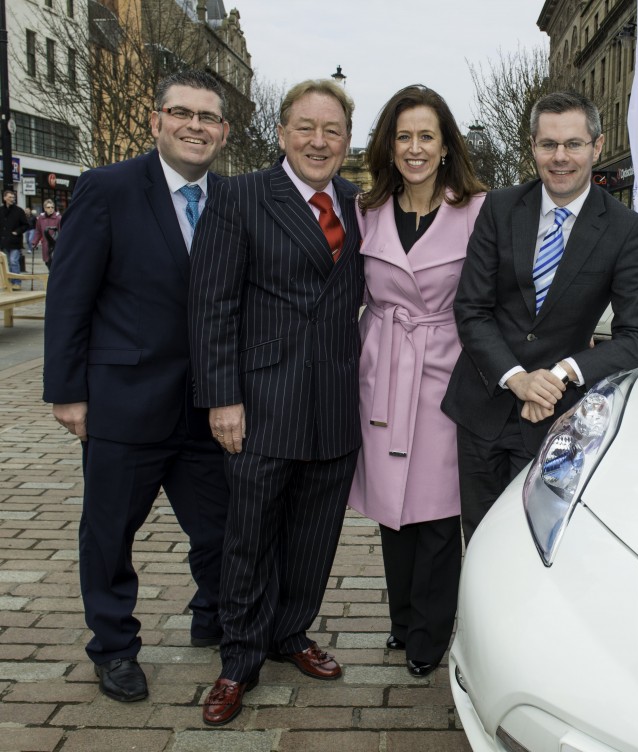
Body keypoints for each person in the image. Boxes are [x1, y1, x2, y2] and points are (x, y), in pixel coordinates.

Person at [42, 70, 232, 704]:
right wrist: (67, 392)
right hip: (124, 401)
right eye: (182, 113)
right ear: (157, 121)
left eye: (208, 117)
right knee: (109, 532)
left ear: (224, 132)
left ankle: (216, 617)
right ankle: (114, 645)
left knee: (222, 528)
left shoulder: (233, 199)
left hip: (207, 405)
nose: (195, 126)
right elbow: (70, 297)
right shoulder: (107, 189)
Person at [189, 79, 363, 727]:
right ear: (283, 133)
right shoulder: (238, 198)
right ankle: (239, 659)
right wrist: (221, 398)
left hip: (336, 403)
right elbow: (212, 306)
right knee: (250, 537)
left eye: (333, 130)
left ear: (347, 138)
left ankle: (291, 633)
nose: (319, 141)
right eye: (306, 128)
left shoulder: (357, 201)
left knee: (315, 536)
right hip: (262, 402)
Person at [441, 91, 638, 544]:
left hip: (554, 421)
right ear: (534, 147)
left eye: (574, 144)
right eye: (548, 145)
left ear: (596, 148)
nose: (560, 157)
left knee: (534, 549)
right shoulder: (500, 209)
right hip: (482, 408)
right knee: (479, 543)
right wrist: (516, 377)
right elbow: (472, 309)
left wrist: (562, 373)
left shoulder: (624, 230)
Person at [348, 85, 486, 678]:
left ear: (446, 144)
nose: (414, 147)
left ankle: (430, 634)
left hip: (445, 370)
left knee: (434, 510)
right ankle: (401, 621)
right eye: (403, 136)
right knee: (391, 506)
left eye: (426, 135)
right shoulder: (367, 208)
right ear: (388, 144)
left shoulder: (477, 209)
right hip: (381, 369)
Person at [1, 190, 32, 288]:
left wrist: (17, 232)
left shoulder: (19, 211)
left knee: (13, 261)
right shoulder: (1, 210)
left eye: (13, 197)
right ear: (4, 197)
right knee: (7, 263)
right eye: (10, 197)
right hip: (4, 241)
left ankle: (17, 283)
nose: (12, 199)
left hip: (15, 241)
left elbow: (26, 225)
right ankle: (9, 282)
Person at [33, 200, 61, 268]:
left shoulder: (58, 218)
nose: (51, 209)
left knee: (55, 264)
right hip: (45, 244)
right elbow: (38, 231)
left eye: (52, 207)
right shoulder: (41, 218)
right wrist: (34, 242)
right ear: (45, 208)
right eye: (48, 207)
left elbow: (61, 231)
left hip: (56, 245)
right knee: (47, 263)